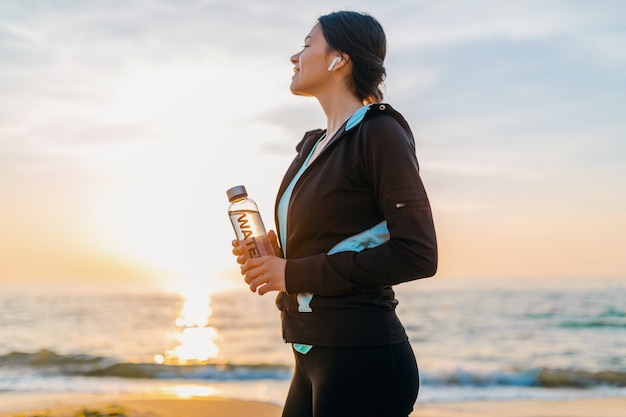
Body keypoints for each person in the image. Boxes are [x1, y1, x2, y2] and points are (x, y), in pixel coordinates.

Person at [232, 10, 437, 417]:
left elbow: (417, 254)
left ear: (339, 59)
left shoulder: (380, 132)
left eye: (308, 44)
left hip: (363, 355)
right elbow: (332, 238)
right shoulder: (312, 146)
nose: (295, 56)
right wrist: (278, 256)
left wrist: (292, 273)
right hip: (309, 354)